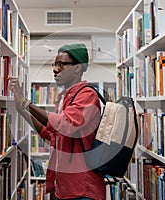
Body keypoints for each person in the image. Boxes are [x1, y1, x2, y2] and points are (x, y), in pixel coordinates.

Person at [9, 43, 106, 200]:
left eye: (61, 64)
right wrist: (22, 110)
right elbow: (51, 134)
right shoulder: (65, 97)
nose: (55, 69)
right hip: (64, 187)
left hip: (82, 189)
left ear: (77, 68)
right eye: (54, 64)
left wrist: (26, 103)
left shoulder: (87, 95)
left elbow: (66, 125)